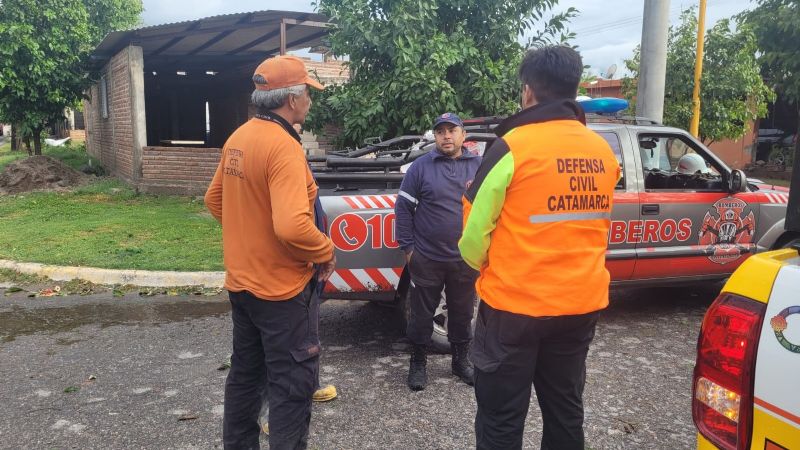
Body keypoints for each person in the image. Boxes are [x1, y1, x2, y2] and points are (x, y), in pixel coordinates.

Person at [458, 45, 620, 450]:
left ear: (527, 91)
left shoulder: (512, 147)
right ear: (575, 87)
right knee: (566, 411)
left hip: (514, 308)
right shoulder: (602, 152)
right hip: (579, 306)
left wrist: (486, 265)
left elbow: (473, 235)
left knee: (501, 418)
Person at [205, 55, 336, 450]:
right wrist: (325, 251)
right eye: (307, 94)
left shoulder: (240, 137)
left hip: (243, 286)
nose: (310, 102)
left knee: (246, 378)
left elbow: (215, 201)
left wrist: (252, 239)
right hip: (281, 294)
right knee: (292, 388)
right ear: (292, 99)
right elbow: (293, 226)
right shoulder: (284, 148)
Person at [395, 112, 482, 391]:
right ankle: (418, 364)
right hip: (428, 258)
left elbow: (490, 208)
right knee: (421, 315)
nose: (446, 136)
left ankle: (460, 363)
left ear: (463, 135)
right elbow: (404, 208)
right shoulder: (421, 167)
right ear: (435, 136)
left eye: (452, 130)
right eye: (441, 131)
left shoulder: (479, 166)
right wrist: (409, 250)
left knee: (462, 312)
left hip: (465, 259)